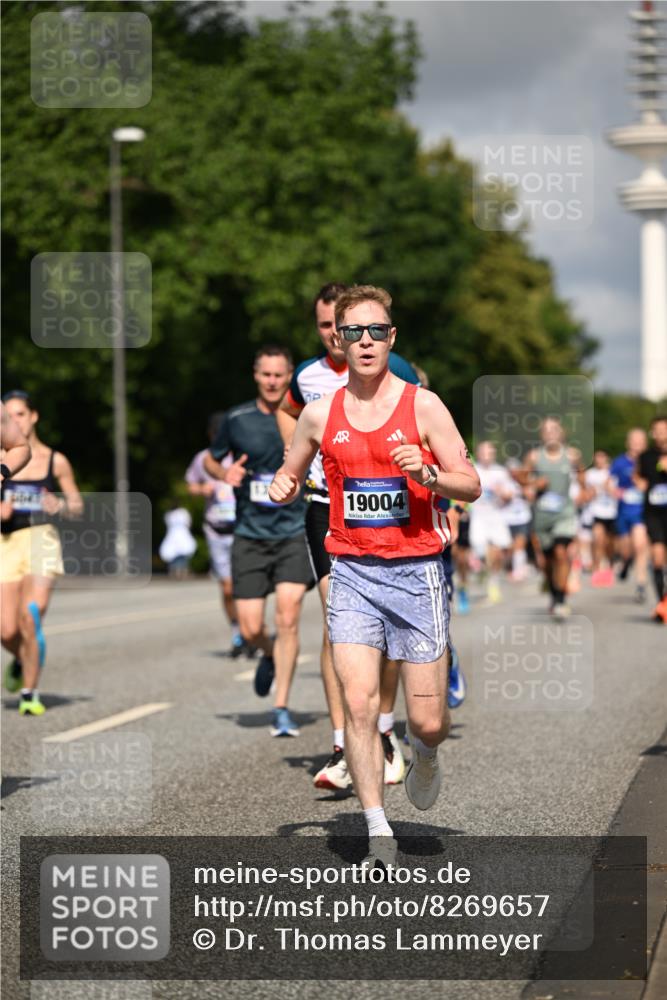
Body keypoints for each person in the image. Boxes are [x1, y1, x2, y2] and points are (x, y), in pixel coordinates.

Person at [269, 285, 480, 868]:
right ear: (338, 340)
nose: (365, 341)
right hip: (353, 572)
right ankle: (377, 830)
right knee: (359, 707)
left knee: (429, 722)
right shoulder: (319, 413)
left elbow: (471, 484)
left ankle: (425, 753)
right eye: (353, 332)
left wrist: (430, 475)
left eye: (377, 331)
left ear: (392, 338)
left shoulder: (424, 406)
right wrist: (283, 484)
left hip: (417, 573)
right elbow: (291, 472)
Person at [276, 282, 420, 789]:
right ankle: (344, 743)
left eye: (363, 330)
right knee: (337, 624)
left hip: (391, 512)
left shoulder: (391, 366)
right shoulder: (307, 376)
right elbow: (288, 411)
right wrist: (294, 459)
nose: (340, 338)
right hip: (327, 508)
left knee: (386, 628)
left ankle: (385, 729)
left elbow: (427, 429)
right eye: (328, 328)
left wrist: (440, 501)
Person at [204, 346, 313, 736]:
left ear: (290, 377)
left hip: (293, 531)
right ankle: (268, 653)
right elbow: (211, 459)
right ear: (255, 375)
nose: (272, 381)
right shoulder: (237, 419)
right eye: (266, 374)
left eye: (279, 375)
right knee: (250, 627)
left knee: (288, 616)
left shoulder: (306, 417)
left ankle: (281, 707)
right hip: (250, 534)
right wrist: (224, 473)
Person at [1, 390, 83, 715]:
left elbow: (76, 506)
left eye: (20, 414)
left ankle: (29, 693)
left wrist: (59, 505)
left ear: (33, 416)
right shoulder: (3, 460)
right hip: (6, 542)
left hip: (41, 538)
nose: (15, 421)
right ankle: (24, 659)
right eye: (9, 416)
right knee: (6, 629)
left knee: (31, 615)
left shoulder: (54, 460)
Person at [186, 413, 245, 656]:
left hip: (243, 530)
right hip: (216, 530)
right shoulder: (203, 458)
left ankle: (253, 629)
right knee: (228, 588)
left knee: (248, 587)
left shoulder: (242, 455)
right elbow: (190, 485)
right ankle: (238, 632)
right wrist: (202, 489)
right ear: (211, 435)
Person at [519, 417, 585, 620]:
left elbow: (582, 477)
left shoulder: (572, 455)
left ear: (562, 433)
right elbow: (521, 478)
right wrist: (533, 484)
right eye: (546, 430)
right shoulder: (534, 456)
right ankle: (554, 593)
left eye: (554, 429)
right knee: (547, 562)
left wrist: (584, 492)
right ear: (541, 435)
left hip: (565, 513)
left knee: (561, 552)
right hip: (542, 515)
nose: (550, 433)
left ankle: (561, 599)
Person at [469, 441, 513, 604]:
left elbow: (510, 495)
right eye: (484, 453)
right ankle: (480, 567)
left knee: (499, 552)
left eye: (490, 453)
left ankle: (493, 582)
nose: (487, 456)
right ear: (478, 454)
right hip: (478, 517)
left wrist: (501, 492)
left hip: (496, 516)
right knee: (481, 551)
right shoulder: (473, 470)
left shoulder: (501, 472)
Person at [634, 415, 667, 623]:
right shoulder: (646, 456)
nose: (660, 434)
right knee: (657, 556)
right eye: (657, 431)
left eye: (664, 430)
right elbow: (638, 475)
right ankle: (662, 603)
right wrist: (639, 482)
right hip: (654, 513)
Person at [610, 428, 649, 603]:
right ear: (628, 443)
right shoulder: (619, 462)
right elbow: (609, 482)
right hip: (624, 511)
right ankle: (626, 562)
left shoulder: (649, 461)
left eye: (640, 441)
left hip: (642, 511)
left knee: (640, 545)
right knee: (626, 549)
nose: (637, 445)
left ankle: (641, 585)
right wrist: (613, 491)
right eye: (634, 441)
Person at [584, 450, 617, 587]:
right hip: (596, 512)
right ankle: (597, 568)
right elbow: (586, 493)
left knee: (609, 543)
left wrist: (608, 487)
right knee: (598, 540)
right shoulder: (589, 474)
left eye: (602, 457)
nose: (599, 460)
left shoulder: (613, 472)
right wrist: (591, 493)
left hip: (612, 512)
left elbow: (617, 492)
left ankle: (610, 563)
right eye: (597, 457)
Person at [159, 506, 197, 579]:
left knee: (177, 554)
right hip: (179, 534)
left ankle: (177, 572)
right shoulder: (182, 512)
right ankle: (180, 572)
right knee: (178, 554)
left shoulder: (170, 514)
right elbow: (188, 523)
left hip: (175, 535)